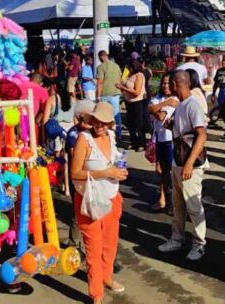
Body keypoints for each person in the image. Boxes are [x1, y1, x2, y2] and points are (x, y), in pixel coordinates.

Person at [70, 102, 128, 304]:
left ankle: (106, 277)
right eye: (95, 121)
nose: (99, 125)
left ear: (110, 123)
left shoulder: (111, 137)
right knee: (93, 248)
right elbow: (75, 173)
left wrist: (119, 172)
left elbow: (113, 164)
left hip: (112, 197)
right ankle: (96, 294)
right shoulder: (83, 139)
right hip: (90, 200)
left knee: (110, 244)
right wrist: (106, 172)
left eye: (103, 122)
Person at [157, 70, 208, 261]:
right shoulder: (181, 105)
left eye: (170, 84)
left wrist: (189, 164)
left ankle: (199, 243)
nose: (168, 87)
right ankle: (177, 238)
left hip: (189, 163)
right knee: (178, 204)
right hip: (178, 160)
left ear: (177, 84)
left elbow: (201, 134)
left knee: (193, 205)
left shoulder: (192, 105)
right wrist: (172, 126)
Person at [65, 99, 96, 252]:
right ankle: (74, 245)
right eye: (88, 117)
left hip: (92, 178)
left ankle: (88, 244)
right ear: (79, 117)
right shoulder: (73, 134)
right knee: (79, 213)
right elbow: (76, 157)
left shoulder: (92, 132)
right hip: (79, 179)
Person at [148, 73, 178, 213]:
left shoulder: (177, 99)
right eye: (164, 83)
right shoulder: (160, 99)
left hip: (170, 139)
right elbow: (151, 109)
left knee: (170, 171)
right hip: (158, 138)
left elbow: (161, 116)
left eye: (168, 83)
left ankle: (170, 199)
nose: (166, 86)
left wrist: (157, 111)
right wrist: (164, 104)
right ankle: (165, 197)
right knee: (161, 170)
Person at [117, 59, 147, 151]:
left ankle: (142, 143)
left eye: (128, 68)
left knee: (139, 123)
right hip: (129, 102)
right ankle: (134, 142)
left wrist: (123, 87)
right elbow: (125, 88)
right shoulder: (129, 76)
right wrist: (121, 86)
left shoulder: (139, 76)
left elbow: (136, 92)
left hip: (137, 102)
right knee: (131, 124)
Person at [96, 50, 123, 138]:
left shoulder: (100, 67)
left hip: (105, 94)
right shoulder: (116, 66)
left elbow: (99, 82)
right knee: (116, 114)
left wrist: (98, 96)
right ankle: (118, 133)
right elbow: (120, 79)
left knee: (105, 114)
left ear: (101, 57)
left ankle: (107, 132)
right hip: (116, 93)